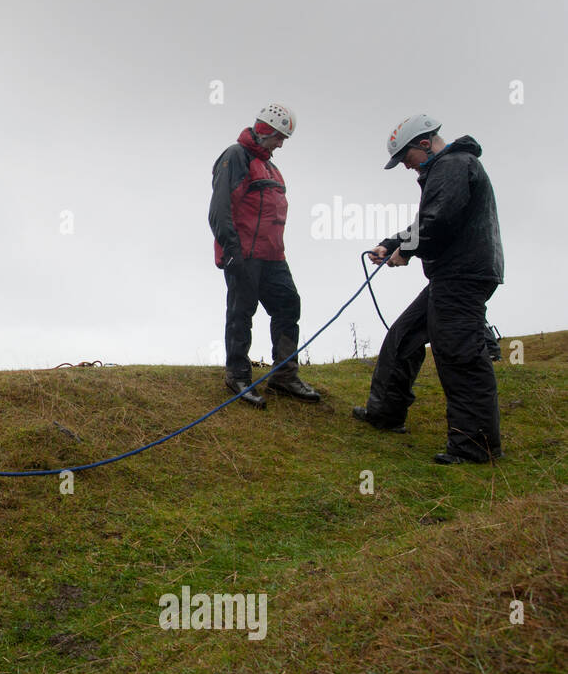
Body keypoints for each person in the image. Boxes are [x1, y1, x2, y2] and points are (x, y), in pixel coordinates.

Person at [352, 115, 504, 465]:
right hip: (450, 277)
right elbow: (430, 220)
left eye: (406, 158)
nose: (406, 167)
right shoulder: (449, 167)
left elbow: (439, 221)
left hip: (463, 277)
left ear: (424, 144)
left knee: (459, 355)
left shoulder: (454, 165)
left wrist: (404, 251)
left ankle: (475, 447)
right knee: (404, 336)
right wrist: (391, 243)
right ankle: (385, 414)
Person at [209, 103, 321, 408]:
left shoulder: (272, 168)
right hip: (242, 255)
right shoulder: (235, 156)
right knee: (242, 311)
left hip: (273, 257)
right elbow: (219, 209)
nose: (282, 144)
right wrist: (232, 252)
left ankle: (285, 375)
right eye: (280, 137)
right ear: (265, 131)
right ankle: (238, 375)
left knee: (288, 305)